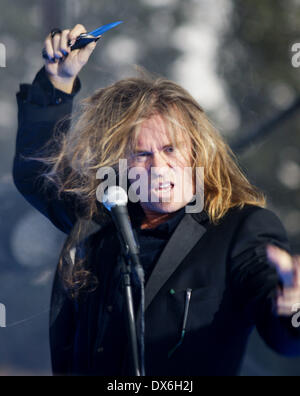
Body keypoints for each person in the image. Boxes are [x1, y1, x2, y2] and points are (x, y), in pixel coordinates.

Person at [13, 24, 300, 376]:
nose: (158, 167)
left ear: (197, 151)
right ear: (122, 164)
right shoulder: (102, 217)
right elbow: (35, 174)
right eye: (141, 154)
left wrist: (292, 308)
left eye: (169, 149)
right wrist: (56, 84)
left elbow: (282, 332)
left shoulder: (238, 228)